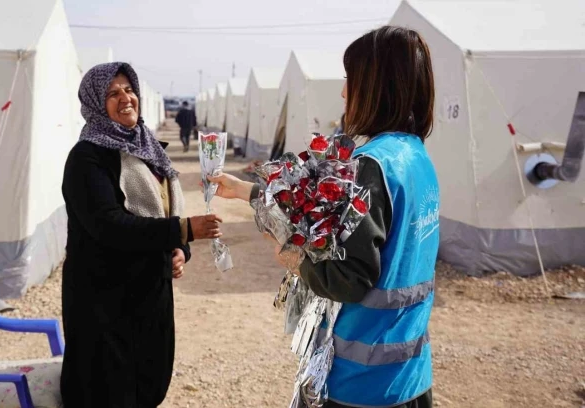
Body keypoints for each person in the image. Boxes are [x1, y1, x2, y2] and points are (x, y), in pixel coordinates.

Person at [209, 26, 438, 408]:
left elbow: (349, 281)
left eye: (351, 79)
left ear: (375, 86)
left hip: (362, 384)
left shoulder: (371, 166)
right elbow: (330, 218)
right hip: (410, 375)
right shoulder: (414, 157)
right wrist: (249, 191)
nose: (344, 92)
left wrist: (292, 257)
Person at [60, 62, 223, 407]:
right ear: (93, 102)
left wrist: (179, 250)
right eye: (112, 93)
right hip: (105, 300)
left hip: (149, 293)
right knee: (107, 388)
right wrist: (183, 231)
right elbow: (108, 225)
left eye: (129, 89)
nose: (125, 98)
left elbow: (163, 210)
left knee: (147, 382)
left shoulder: (149, 149)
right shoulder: (87, 158)